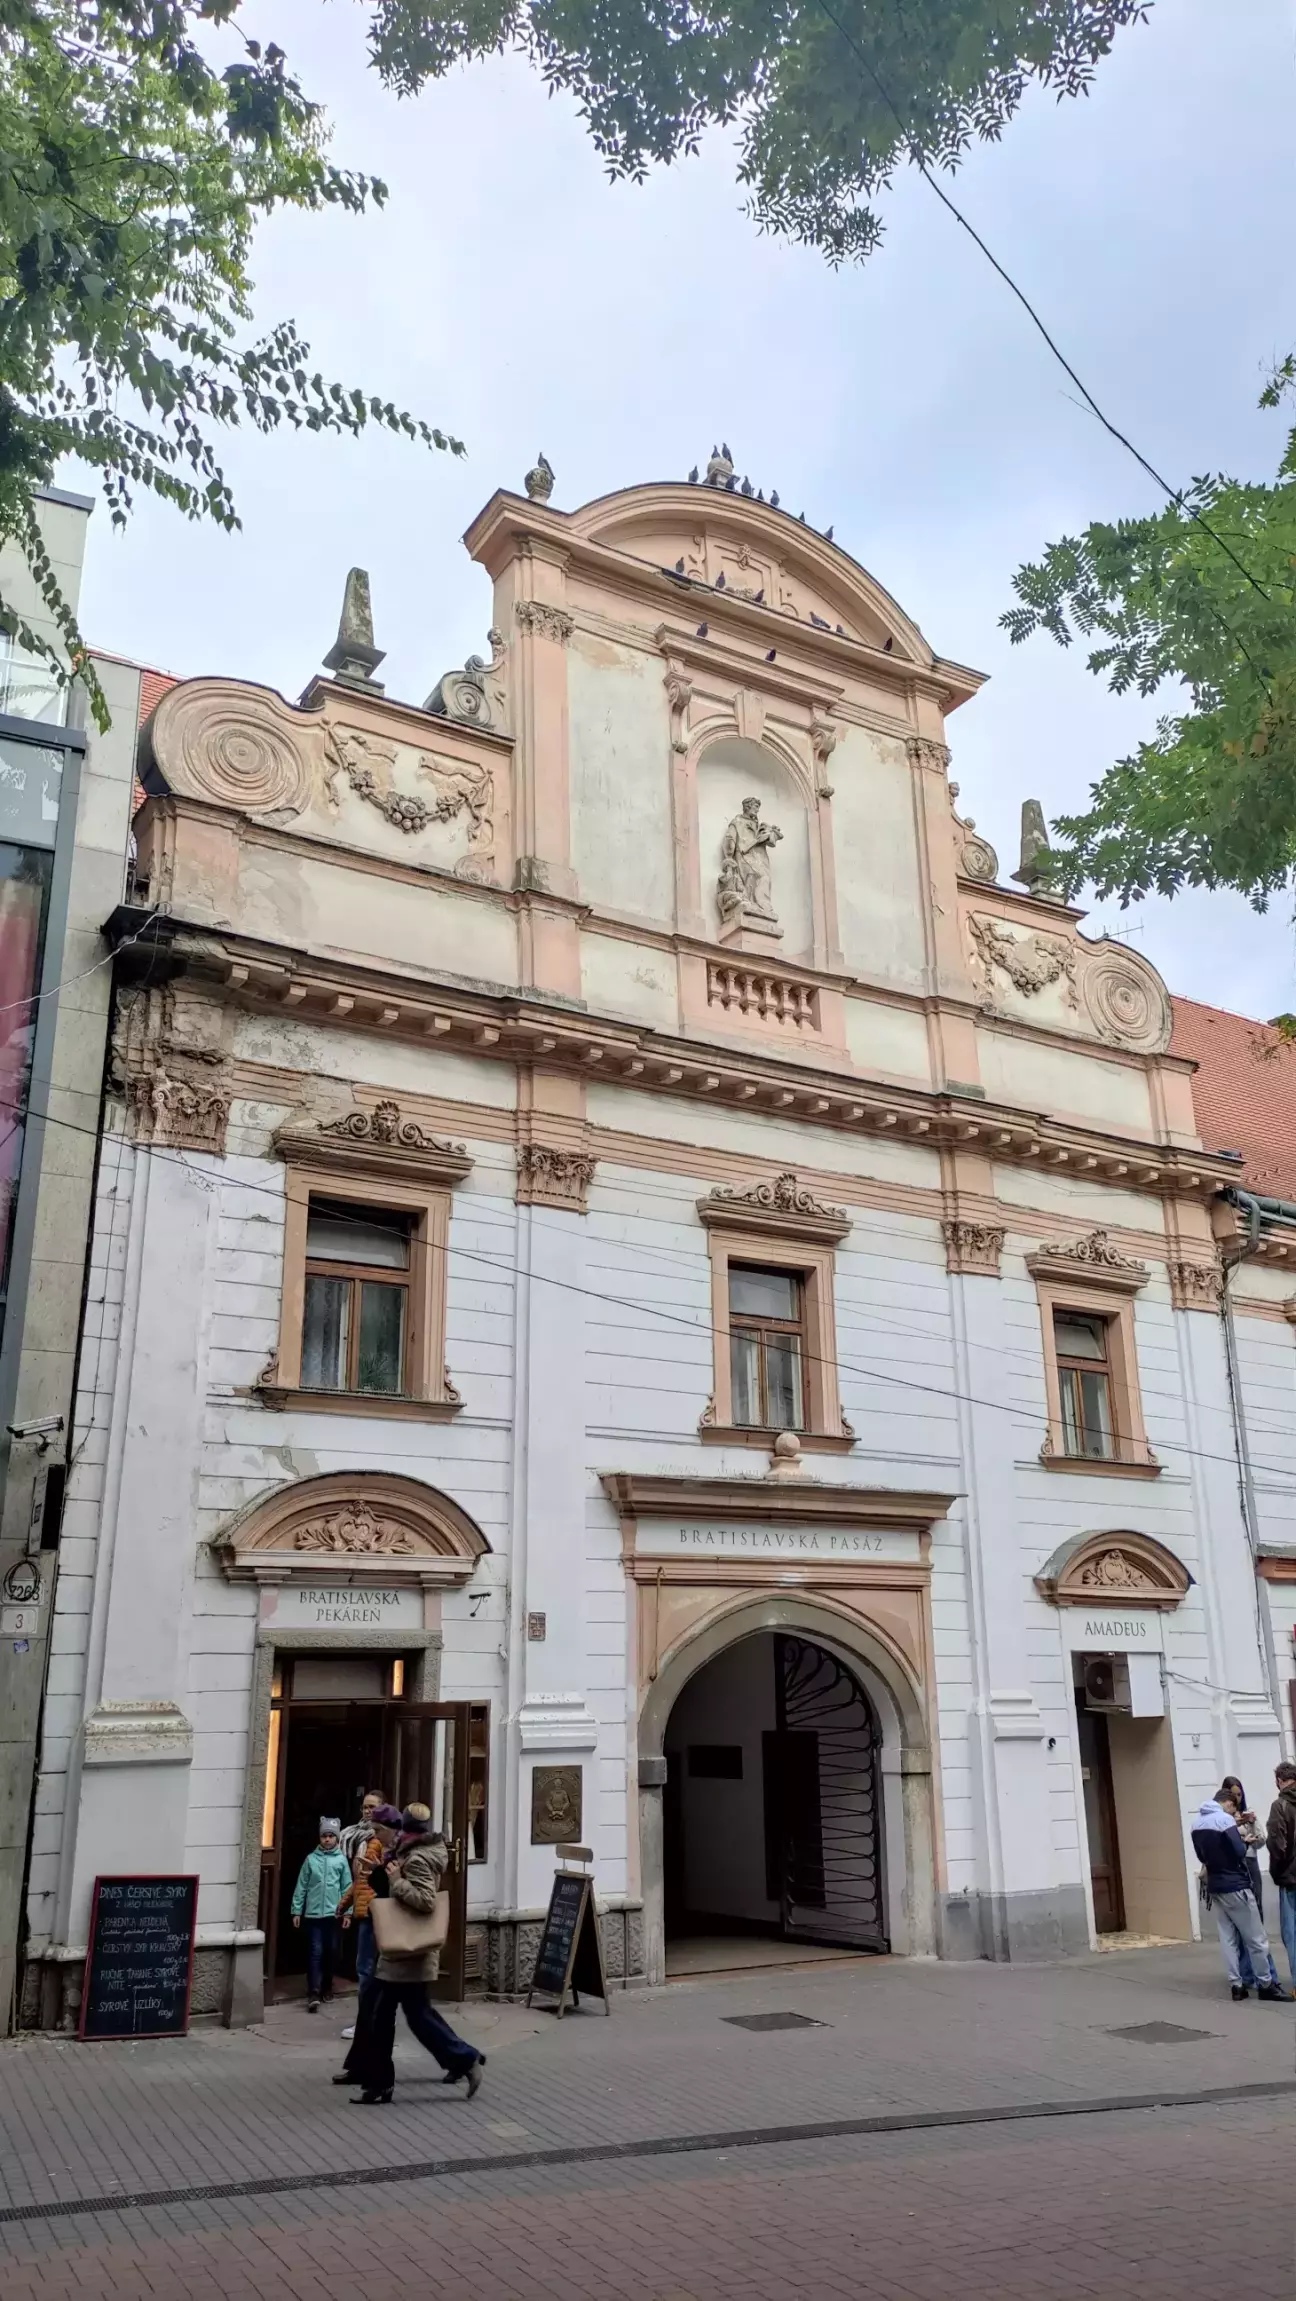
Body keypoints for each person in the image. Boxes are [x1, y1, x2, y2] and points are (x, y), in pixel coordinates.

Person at [344, 1802, 485, 2105]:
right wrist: (383, 1872)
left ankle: (459, 2060)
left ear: (399, 1829)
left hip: (408, 1952)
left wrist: (396, 1880)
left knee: (393, 2016)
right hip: (401, 1953)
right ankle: (459, 2060)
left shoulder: (417, 1857)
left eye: (379, 1829)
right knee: (413, 2015)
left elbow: (425, 1901)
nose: (376, 1835)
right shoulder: (404, 1851)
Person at [1192, 1795, 1286, 2002]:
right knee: (1256, 1938)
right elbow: (1238, 1851)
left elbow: (1201, 1856)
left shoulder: (1196, 1823)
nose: (1233, 1810)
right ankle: (1266, 1984)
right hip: (1236, 1884)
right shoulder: (1224, 1820)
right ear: (1226, 1802)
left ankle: (1236, 1985)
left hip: (1216, 1886)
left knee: (1228, 1939)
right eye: (1232, 1805)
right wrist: (1245, 1843)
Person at [1215, 1787, 1284, 1994]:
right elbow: (1233, 1849)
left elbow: (1261, 1841)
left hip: (1246, 1870)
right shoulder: (1222, 1821)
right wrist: (1238, 1833)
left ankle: (1245, 1980)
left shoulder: (1232, 1818)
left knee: (1250, 1929)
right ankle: (1260, 1980)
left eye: (1239, 1794)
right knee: (1249, 1935)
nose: (1236, 1800)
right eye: (1232, 1796)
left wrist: (1251, 1823)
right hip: (1235, 1877)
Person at [291, 1817, 351, 2012]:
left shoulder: (341, 1861)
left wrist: (347, 1913)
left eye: (331, 1836)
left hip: (334, 1915)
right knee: (315, 1952)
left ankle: (327, 1985)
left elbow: (347, 1888)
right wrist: (296, 1910)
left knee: (332, 1951)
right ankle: (313, 1992)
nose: (327, 1839)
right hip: (313, 1915)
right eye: (324, 1836)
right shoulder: (311, 1860)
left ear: (337, 1838)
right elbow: (301, 1886)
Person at [1265, 1759, 1296, 1987]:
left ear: (1279, 1781)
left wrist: (1277, 1873)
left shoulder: (1280, 1806)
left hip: (1291, 1878)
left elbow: (1278, 1846)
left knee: (1292, 1934)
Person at [340, 1792, 386, 1871]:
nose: (367, 1811)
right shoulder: (350, 1832)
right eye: (364, 1807)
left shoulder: (387, 1833)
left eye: (372, 1807)